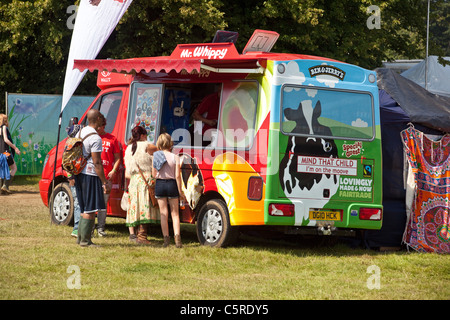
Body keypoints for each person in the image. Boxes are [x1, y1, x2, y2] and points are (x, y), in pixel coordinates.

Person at [74, 109, 111, 247]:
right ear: (97, 120)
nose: (103, 120)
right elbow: (97, 162)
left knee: (84, 208)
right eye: (101, 117)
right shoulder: (95, 138)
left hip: (79, 173)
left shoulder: (80, 132)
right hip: (90, 175)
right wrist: (104, 181)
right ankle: (85, 241)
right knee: (90, 209)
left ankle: (80, 238)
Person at [124, 125, 158, 244]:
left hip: (134, 181)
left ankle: (136, 235)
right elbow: (160, 149)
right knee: (144, 207)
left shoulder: (128, 148)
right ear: (143, 136)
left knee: (136, 207)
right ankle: (142, 236)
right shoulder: (146, 146)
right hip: (145, 180)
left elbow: (127, 170)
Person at [152, 133, 186, 248]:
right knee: (175, 214)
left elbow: (153, 174)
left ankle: (166, 240)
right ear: (170, 143)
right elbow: (177, 176)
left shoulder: (155, 156)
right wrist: (180, 191)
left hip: (160, 184)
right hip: (172, 184)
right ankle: (178, 240)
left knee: (163, 213)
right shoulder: (175, 157)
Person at [96, 114, 122, 237]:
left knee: (103, 203)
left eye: (99, 127)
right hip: (93, 176)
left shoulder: (112, 139)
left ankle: (100, 228)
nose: (97, 129)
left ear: (104, 126)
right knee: (91, 203)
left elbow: (118, 158)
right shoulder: (93, 138)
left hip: (106, 177)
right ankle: (89, 228)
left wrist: (114, 170)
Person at [0, 114, 21, 194]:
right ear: (4, 120)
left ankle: (2, 190)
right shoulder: (4, 128)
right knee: (14, 168)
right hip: (5, 153)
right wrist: (15, 148)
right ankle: (5, 186)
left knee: (1, 171)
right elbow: (6, 140)